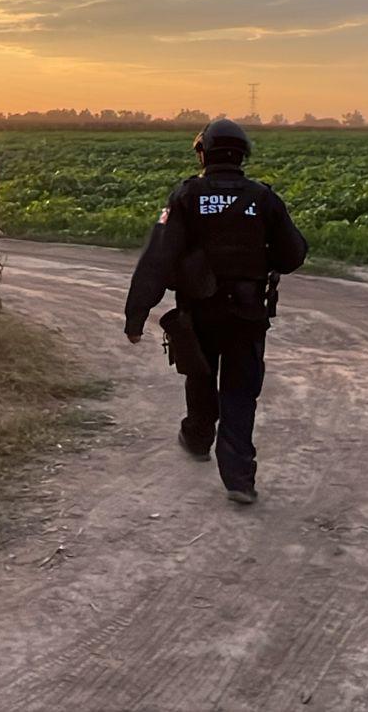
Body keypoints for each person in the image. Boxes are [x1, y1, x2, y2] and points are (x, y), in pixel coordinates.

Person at [123, 118, 307, 504]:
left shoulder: (186, 197)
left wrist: (136, 315)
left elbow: (158, 257)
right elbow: (293, 255)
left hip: (199, 312)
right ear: (242, 156)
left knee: (201, 377)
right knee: (240, 392)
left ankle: (197, 437)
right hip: (247, 313)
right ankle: (239, 478)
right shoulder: (263, 198)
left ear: (203, 153)